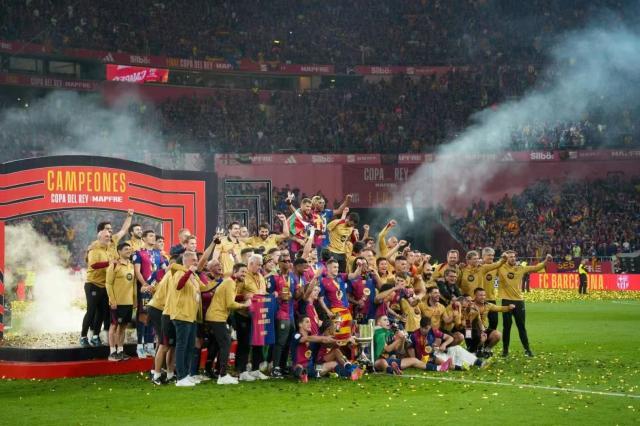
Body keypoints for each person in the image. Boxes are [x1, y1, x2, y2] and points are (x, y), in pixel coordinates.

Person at [165, 251, 217, 387]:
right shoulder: (178, 272)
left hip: (192, 316)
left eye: (196, 259)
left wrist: (219, 281)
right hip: (181, 314)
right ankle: (180, 377)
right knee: (182, 346)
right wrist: (189, 272)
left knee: (189, 346)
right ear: (186, 261)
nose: (196, 261)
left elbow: (204, 288)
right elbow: (179, 286)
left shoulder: (194, 275)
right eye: (193, 260)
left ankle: (187, 374)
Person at [497, 252, 552, 357]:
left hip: (519, 301)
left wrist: (546, 261)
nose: (513, 258)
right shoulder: (500, 268)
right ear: (506, 258)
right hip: (506, 301)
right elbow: (489, 267)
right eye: (510, 257)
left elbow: (535, 268)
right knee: (506, 327)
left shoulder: (520, 268)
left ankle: (527, 350)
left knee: (521, 326)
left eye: (514, 257)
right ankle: (505, 351)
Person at [205, 263, 251, 385]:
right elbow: (230, 304)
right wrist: (245, 305)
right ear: (234, 271)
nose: (244, 274)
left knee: (216, 344)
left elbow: (228, 299)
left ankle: (210, 370)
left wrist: (242, 298)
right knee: (226, 343)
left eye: (246, 272)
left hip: (215, 316)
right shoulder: (230, 283)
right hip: (217, 317)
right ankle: (223, 375)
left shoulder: (230, 282)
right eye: (242, 272)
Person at [373, 315, 451, 374]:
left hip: (390, 360)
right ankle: (390, 370)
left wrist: (402, 340)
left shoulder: (389, 333)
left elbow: (400, 351)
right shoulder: (379, 333)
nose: (388, 321)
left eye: (387, 319)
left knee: (414, 360)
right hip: (378, 361)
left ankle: (438, 368)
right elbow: (387, 349)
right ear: (378, 323)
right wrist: (398, 340)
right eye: (384, 320)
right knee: (382, 362)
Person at [234, 254, 270, 382]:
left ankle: (255, 370)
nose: (260, 267)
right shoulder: (243, 275)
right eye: (258, 265)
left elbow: (262, 292)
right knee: (244, 343)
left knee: (258, 343)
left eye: (261, 265)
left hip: (258, 314)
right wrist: (245, 296)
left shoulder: (260, 276)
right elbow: (234, 294)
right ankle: (241, 371)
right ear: (251, 263)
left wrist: (268, 295)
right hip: (243, 314)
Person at [132, 230, 164, 358]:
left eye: (154, 236)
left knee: (153, 317)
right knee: (143, 316)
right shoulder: (138, 253)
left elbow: (163, 269)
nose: (153, 238)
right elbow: (137, 272)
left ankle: (150, 345)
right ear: (144, 238)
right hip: (145, 290)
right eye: (151, 236)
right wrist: (145, 285)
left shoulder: (158, 253)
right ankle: (140, 346)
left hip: (156, 290)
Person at [268, 251, 297, 377]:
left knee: (288, 341)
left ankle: (283, 366)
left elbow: (295, 295)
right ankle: (275, 367)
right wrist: (279, 296)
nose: (288, 263)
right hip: (280, 313)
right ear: (279, 263)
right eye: (285, 261)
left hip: (290, 313)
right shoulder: (273, 277)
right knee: (280, 341)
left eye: (289, 261)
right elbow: (268, 295)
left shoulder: (292, 277)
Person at [105, 242, 136, 361]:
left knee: (123, 327)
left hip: (128, 303)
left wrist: (134, 300)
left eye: (129, 249)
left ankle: (120, 351)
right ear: (119, 251)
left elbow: (133, 284)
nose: (129, 251)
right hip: (117, 303)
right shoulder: (114, 265)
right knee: (114, 326)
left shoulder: (131, 266)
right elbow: (108, 284)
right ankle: (112, 352)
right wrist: (112, 300)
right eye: (126, 249)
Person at [81, 229, 111, 347]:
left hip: (104, 285)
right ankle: (83, 337)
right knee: (91, 311)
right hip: (93, 284)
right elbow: (93, 265)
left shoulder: (107, 250)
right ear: (99, 238)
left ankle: (95, 336)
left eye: (109, 236)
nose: (108, 237)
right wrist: (109, 263)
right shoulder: (94, 249)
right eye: (106, 236)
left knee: (102, 312)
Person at [472, 288, 514, 357]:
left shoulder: (488, 305)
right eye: (480, 295)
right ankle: (475, 350)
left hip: (483, 329)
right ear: (475, 295)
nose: (483, 297)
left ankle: (487, 350)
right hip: (472, 330)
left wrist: (508, 307)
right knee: (480, 337)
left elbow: (499, 308)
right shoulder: (470, 305)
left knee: (497, 335)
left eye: (484, 295)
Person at [326, 207, 359, 273]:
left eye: (353, 225)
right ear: (348, 219)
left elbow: (345, 238)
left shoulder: (351, 228)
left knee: (342, 273)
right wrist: (327, 243)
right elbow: (326, 230)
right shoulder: (337, 222)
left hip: (342, 253)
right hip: (332, 251)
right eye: (351, 224)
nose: (351, 226)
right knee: (332, 272)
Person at [480, 247, 501, 331]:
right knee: (477, 323)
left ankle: (488, 337)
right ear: (483, 256)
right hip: (478, 300)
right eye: (489, 255)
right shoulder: (478, 266)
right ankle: (477, 338)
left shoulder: (495, 267)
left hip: (491, 299)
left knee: (494, 322)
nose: (491, 257)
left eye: (492, 255)